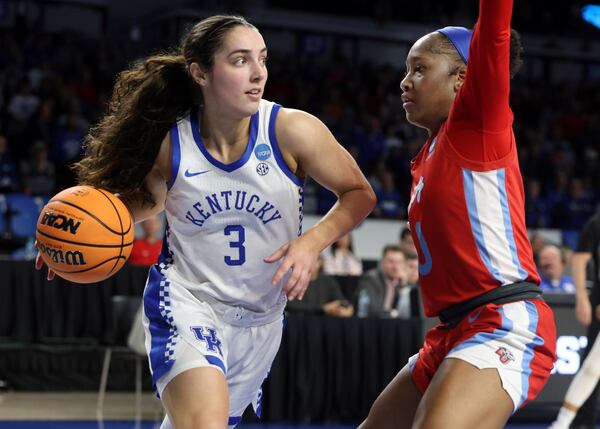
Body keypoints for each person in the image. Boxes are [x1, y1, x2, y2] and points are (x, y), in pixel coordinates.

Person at [36, 15, 375, 429]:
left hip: (260, 320)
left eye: (262, 59)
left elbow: (360, 194)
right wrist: (70, 236)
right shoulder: (171, 141)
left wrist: (311, 242)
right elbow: (142, 204)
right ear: (200, 72)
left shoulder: (292, 130)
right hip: (187, 302)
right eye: (240, 60)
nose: (258, 73)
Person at [359, 2, 556, 428]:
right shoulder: (427, 154)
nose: (404, 82)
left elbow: (495, 30)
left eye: (419, 69)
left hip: (503, 319)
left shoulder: (478, 126)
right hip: (452, 331)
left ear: (463, 79)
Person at [549, 212, 600, 429]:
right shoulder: (596, 222)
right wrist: (583, 297)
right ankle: (564, 423)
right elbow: (580, 258)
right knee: (592, 366)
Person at [355, 244, 418, 319]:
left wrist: (404, 285)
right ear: (382, 262)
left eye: (399, 262)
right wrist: (392, 314)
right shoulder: (370, 279)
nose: (395, 267)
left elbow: (409, 312)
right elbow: (370, 310)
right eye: (391, 262)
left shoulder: (403, 283)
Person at [286, 254, 353, 317]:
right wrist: (322, 308)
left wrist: (347, 307)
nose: (311, 264)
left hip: (323, 321)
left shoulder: (328, 280)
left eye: (315, 260)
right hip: (299, 320)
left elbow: (339, 299)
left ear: (321, 262)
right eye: (308, 260)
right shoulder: (294, 279)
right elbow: (289, 305)